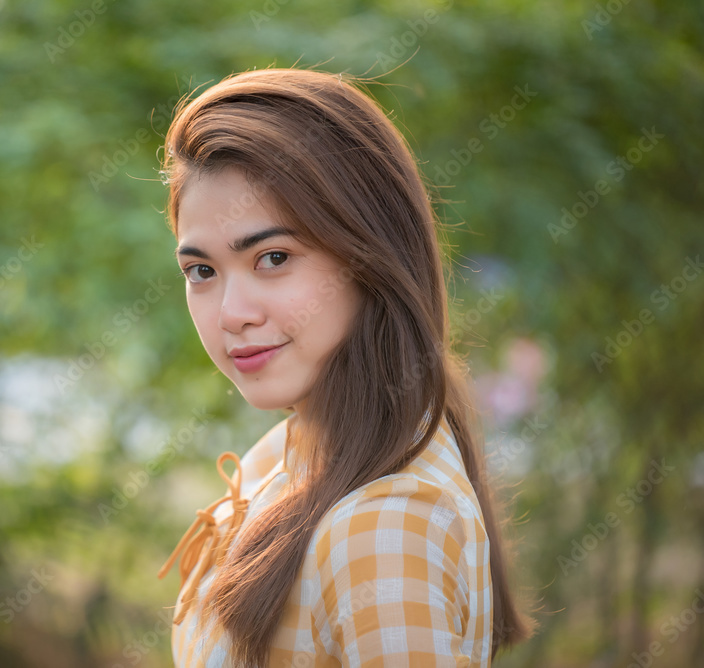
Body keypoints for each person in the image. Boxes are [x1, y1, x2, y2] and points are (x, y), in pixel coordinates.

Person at [155, 67, 535, 667]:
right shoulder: (282, 456)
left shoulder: (384, 525)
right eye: (201, 271)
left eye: (273, 257)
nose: (231, 313)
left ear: (369, 258)